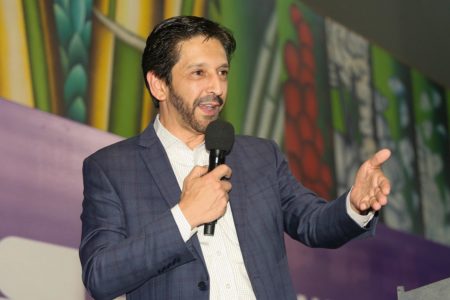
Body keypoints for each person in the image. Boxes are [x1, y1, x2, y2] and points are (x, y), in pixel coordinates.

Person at [79, 16, 391, 300]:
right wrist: (184, 216)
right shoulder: (111, 168)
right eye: (199, 73)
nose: (216, 87)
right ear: (159, 84)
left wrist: (355, 205)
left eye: (222, 73)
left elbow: (313, 223)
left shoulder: (260, 155)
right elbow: (101, 276)